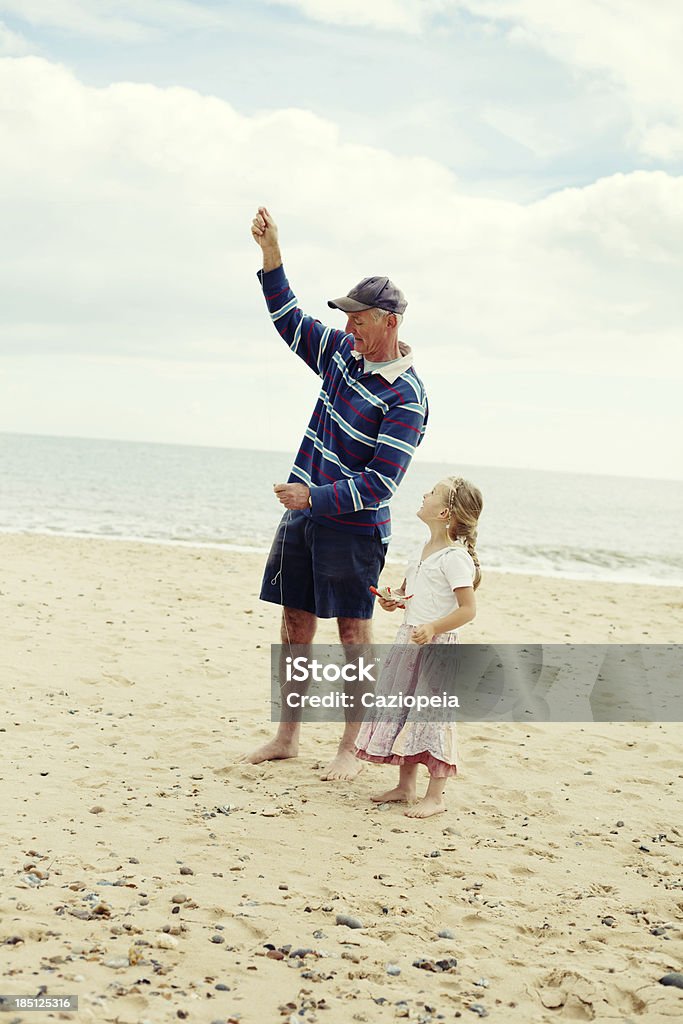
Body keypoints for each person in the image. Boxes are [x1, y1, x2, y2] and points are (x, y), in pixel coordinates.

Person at [246, 206, 428, 780]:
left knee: (353, 634)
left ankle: (350, 746)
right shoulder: (340, 357)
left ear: (389, 321)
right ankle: (287, 737)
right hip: (304, 519)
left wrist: (312, 498)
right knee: (294, 626)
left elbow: (381, 484)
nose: (349, 328)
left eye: (359, 319)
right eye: (347, 318)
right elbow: (287, 317)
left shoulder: (406, 398)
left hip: (352, 529)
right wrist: (271, 252)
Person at [354, 475, 482, 817]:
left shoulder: (455, 558)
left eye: (433, 493)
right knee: (404, 710)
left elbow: (468, 609)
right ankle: (405, 786)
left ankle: (436, 796)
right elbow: (411, 593)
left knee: (431, 717)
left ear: (445, 514)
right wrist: (393, 599)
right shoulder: (423, 550)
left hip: (437, 646)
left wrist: (434, 627)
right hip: (409, 641)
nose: (424, 494)